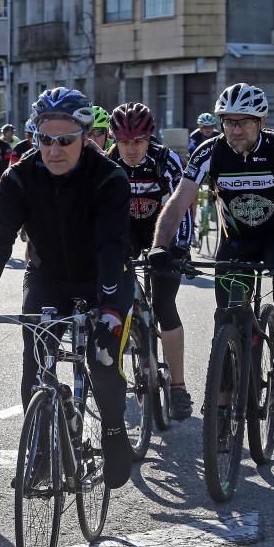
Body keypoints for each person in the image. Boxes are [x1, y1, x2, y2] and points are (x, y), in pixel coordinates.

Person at [0, 87, 134, 490]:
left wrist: (109, 311)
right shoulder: (19, 177)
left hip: (103, 276)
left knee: (105, 358)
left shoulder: (109, 176)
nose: (54, 150)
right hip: (48, 275)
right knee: (36, 360)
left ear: (87, 137)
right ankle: (41, 447)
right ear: (33, 136)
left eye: (65, 141)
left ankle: (112, 429)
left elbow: (112, 245)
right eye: (45, 140)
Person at [151, 82, 274, 380]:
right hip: (237, 239)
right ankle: (220, 402)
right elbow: (179, 201)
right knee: (225, 318)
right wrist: (159, 245)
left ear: (261, 122)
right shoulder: (210, 153)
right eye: (229, 122)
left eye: (243, 122)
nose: (235, 130)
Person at [107, 102, 194, 419]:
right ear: (114, 139)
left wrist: (177, 248)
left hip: (163, 233)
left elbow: (180, 206)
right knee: (114, 300)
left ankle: (178, 386)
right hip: (127, 234)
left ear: (150, 139)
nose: (131, 149)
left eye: (138, 141)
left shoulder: (164, 160)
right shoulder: (108, 163)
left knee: (164, 306)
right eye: (124, 141)